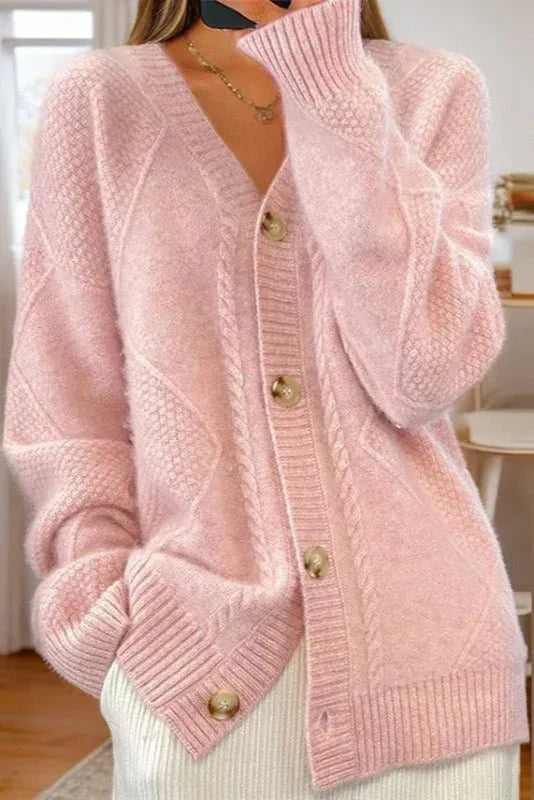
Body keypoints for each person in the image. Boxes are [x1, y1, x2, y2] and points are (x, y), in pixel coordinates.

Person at [1, 0, 530, 797]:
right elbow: (64, 395)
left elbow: (423, 377)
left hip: (428, 661)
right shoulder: (101, 101)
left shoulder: (435, 91)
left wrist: (334, 85)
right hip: (193, 652)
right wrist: (104, 611)